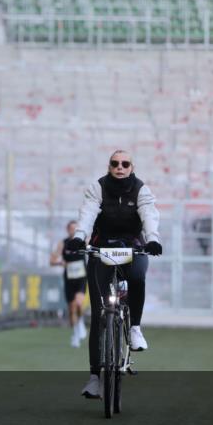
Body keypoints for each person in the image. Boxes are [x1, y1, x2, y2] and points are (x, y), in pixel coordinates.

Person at [65, 150, 163, 399]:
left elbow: (149, 214)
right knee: (99, 315)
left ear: (132, 167)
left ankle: (135, 329)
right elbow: (87, 213)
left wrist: (152, 239)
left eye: (125, 164)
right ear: (109, 166)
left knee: (138, 276)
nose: (120, 167)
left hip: (133, 245)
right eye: (115, 163)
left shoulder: (141, 189)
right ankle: (95, 378)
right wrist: (79, 236)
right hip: (102, 246)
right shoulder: (97, 187)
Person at [50, 220, 87, 348]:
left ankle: (81, 323)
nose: (73, 231)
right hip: (69, 278)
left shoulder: (84, 241)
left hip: (81, 277)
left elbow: (93, 251)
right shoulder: (63, 243)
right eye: (71, 229)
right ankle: (75, 333)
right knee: (71, 309)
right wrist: (60, 262)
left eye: (76, 229)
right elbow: (52, 260)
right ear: (67, 230)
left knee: (79, 303)